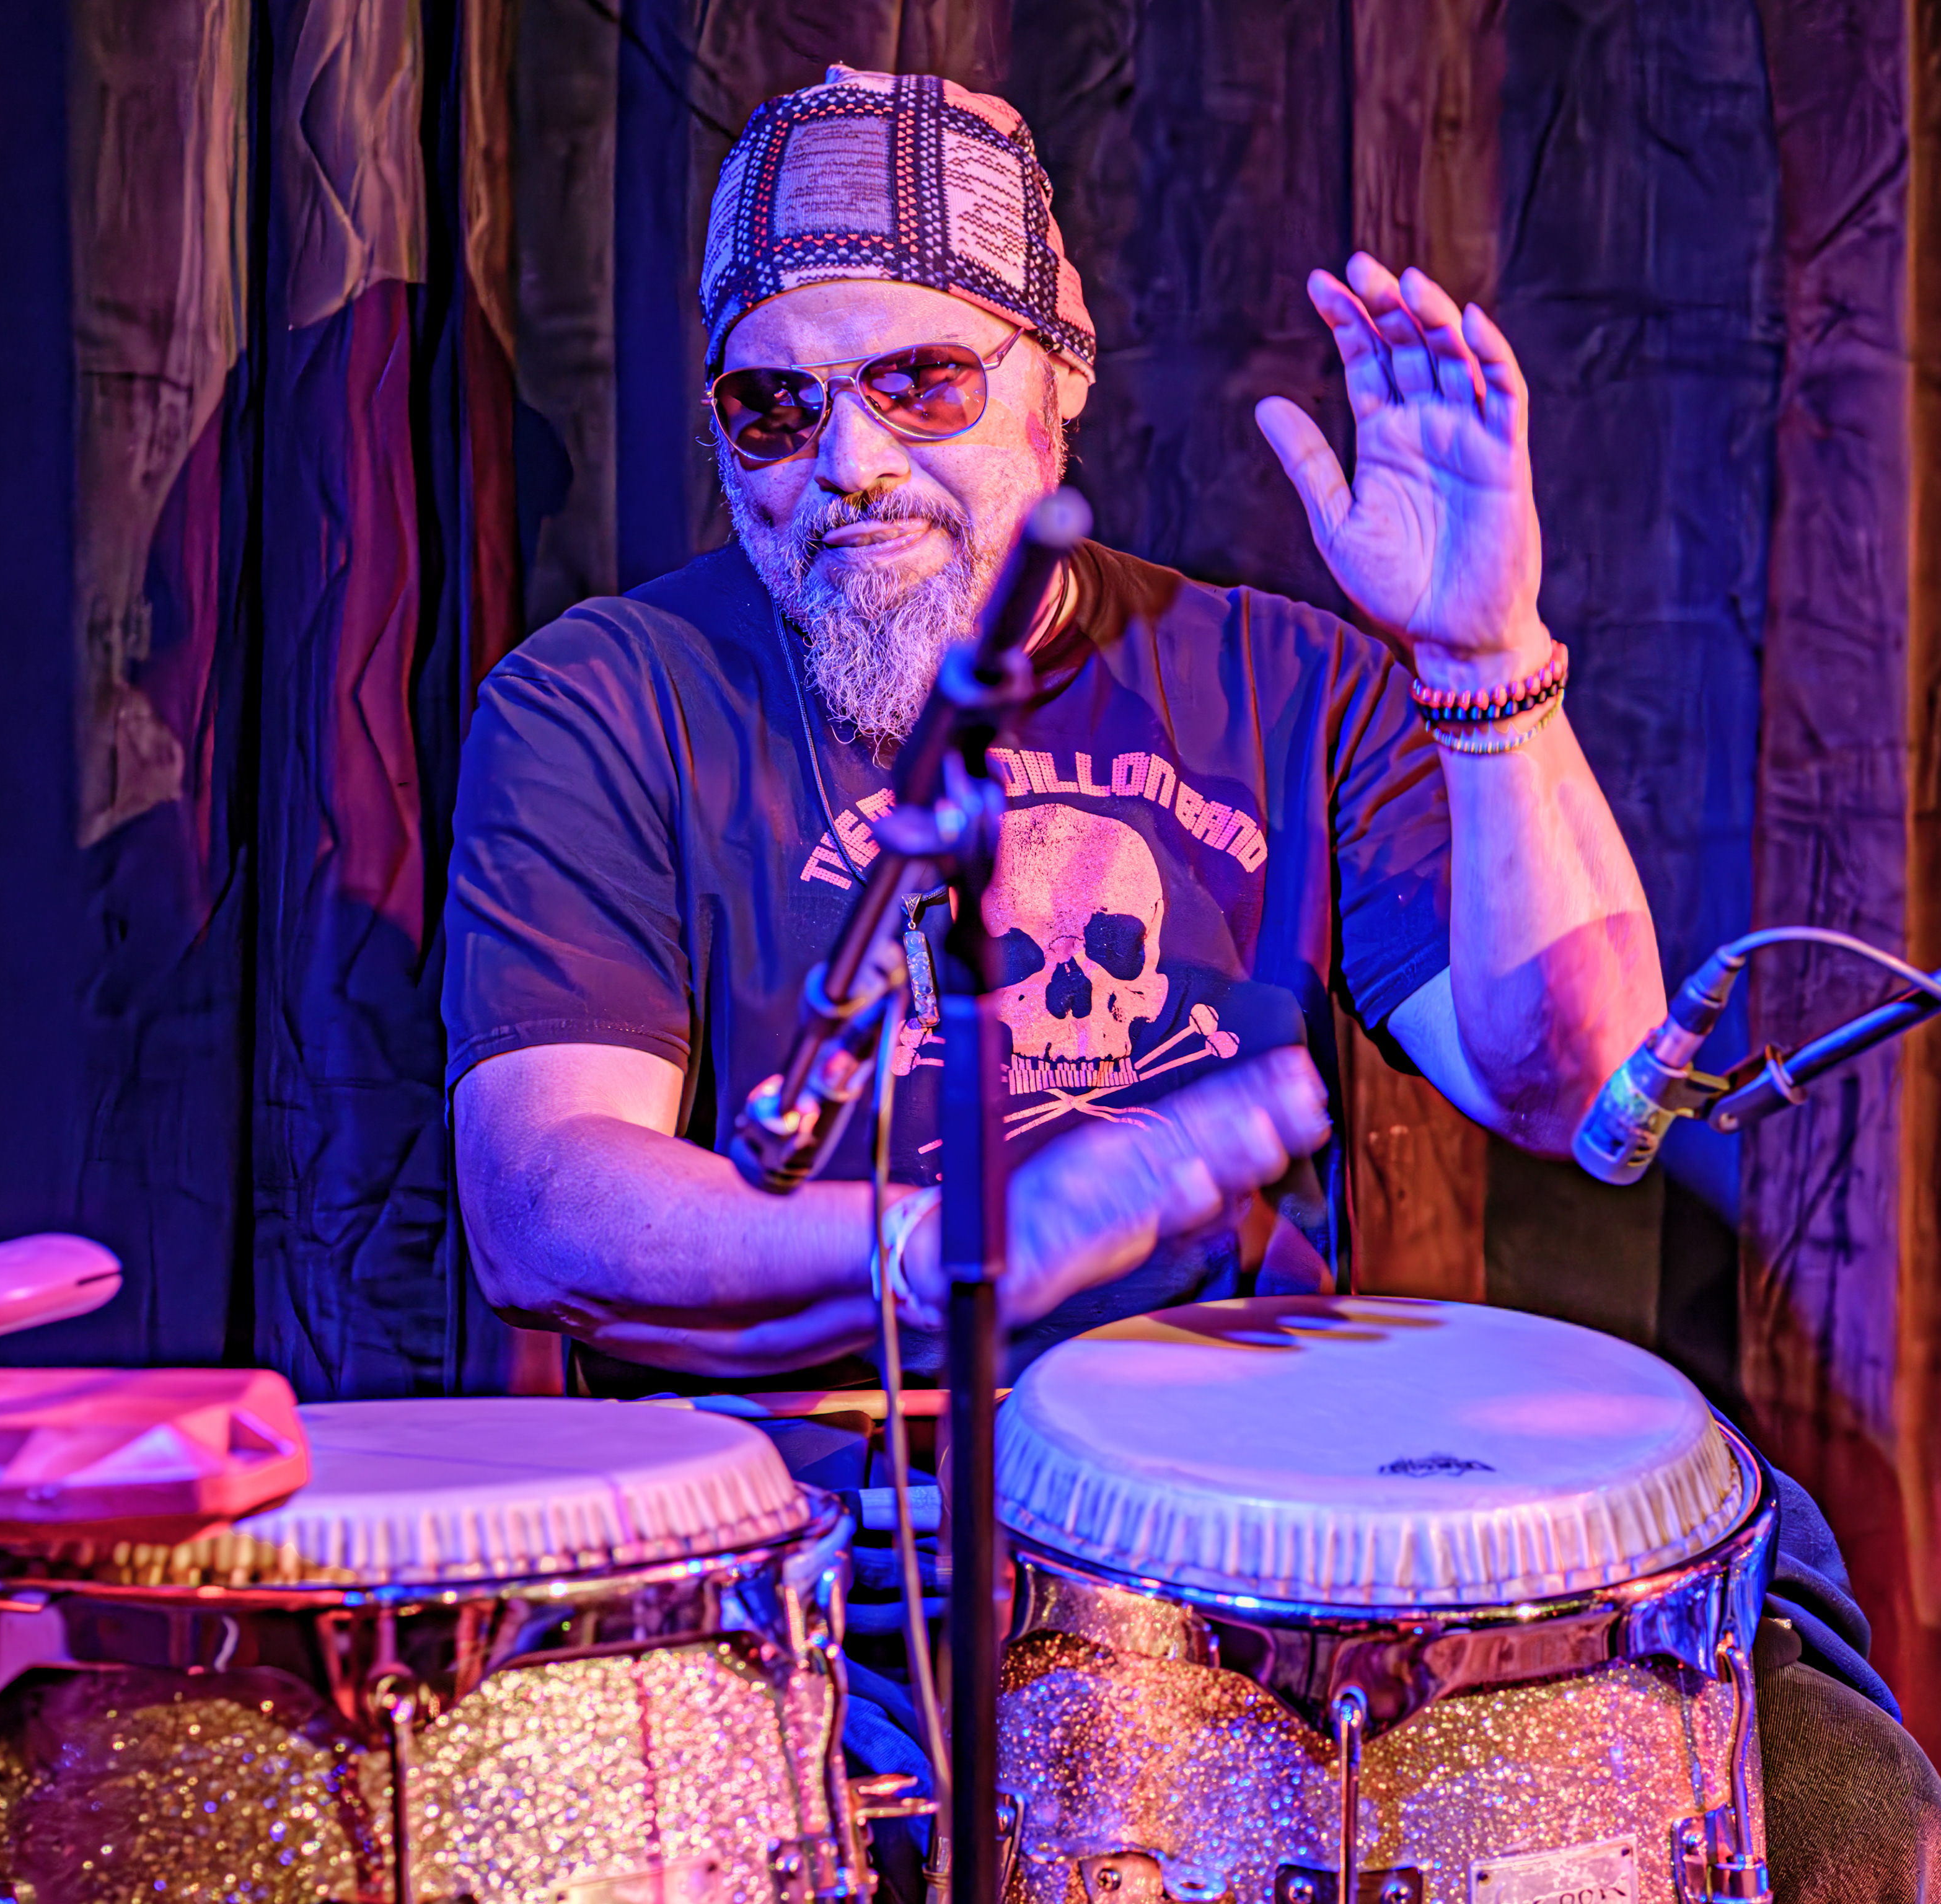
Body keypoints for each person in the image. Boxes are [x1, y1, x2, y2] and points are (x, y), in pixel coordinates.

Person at [442, 65, 1937, 1897]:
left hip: (1241, 1566)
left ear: (1056, 372)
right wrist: (956, 1245)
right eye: (775, 405)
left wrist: (1485, 662)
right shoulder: (601, 702)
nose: (846, 461)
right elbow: (544, 1205)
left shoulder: (1280, 683)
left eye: (922, 381)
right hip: (817, 1571)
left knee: (1829, 1796)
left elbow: (1572, 1080)